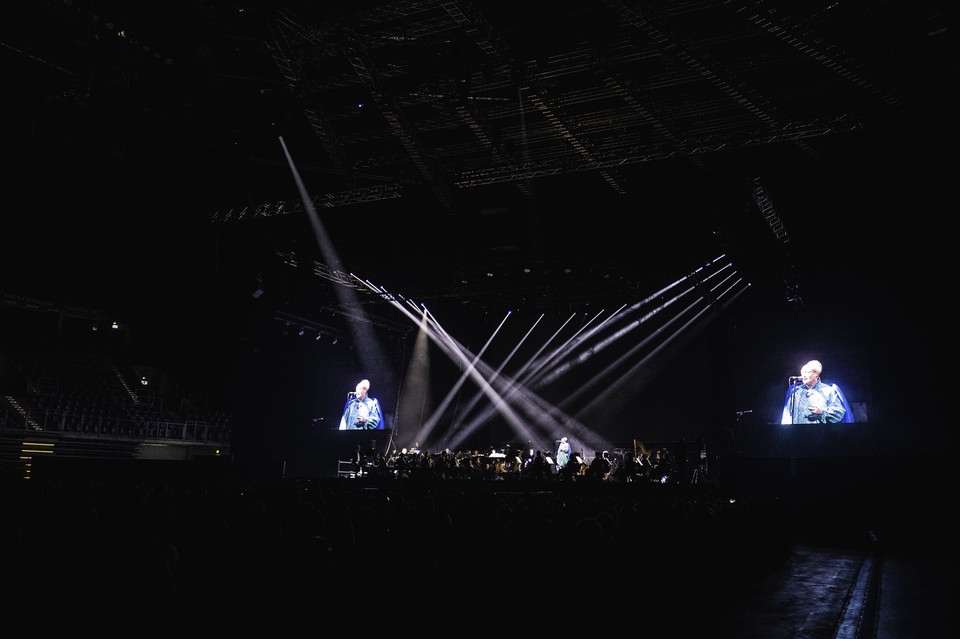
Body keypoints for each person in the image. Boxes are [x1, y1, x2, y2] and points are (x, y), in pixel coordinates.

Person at [781, 360, 852, 424]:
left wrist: (822, 412)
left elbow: (839, 412)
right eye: (802, 373)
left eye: (807, 372)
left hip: (819, 433)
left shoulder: (828, 390)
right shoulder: (796, 391)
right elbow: (787, 415)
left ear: (816, 374)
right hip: (797, 433)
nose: (804, 376)